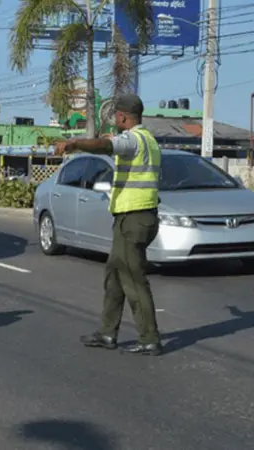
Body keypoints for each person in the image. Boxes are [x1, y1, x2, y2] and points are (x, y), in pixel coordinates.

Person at [54, 92, 163, 356]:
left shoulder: (132, 139)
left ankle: (149, 338)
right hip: (138, 216)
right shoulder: (149, 140)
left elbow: (106, 146)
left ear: (123, 117)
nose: (114, 119)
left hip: (133, 217)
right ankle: (107, 333)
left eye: (116, 115)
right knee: (114, 276)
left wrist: (74, 143)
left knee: (133, 279)